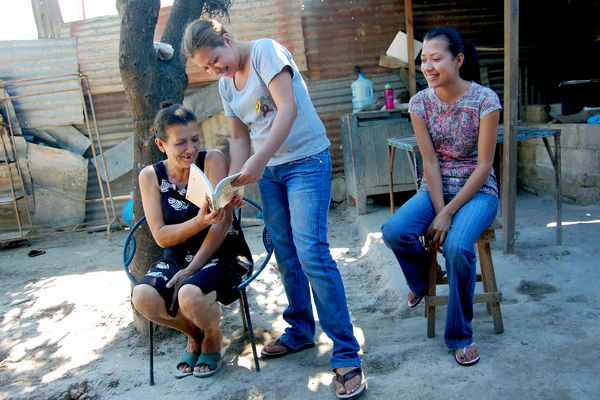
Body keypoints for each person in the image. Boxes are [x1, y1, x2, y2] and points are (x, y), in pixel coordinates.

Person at [182, 19, 366, 399]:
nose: (215, 69)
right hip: (269, 171)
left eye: (216, 59)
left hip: (305, 161)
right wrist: (231, 184)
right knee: (285, 253)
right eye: (207, 67)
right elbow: (238, 137)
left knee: (311, 251)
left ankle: (346, 353)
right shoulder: (224, 85)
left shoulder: (266, 51)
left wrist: (259, 161)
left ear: (227, 40)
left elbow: (287, 108)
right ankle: (300, 329)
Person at [381, 27, 502, 366]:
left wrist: (449, 213)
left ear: (458, 59)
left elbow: (484, 166)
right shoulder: (419, 103)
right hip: (436, 186)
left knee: (458, 246)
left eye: (437, 59)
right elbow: (430, 162)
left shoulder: (485, 100)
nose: (428, 67)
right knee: (394, 231)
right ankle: (424, 282)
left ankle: (460, 335)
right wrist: (440, 211)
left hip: (478, 190)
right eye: (424, 60)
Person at [131, 102, 253, 378]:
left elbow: (222, 226)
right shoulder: (150, 176)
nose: (191, 148)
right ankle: (194, 333)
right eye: (181, 142)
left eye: (195, 139)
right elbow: (161, 237)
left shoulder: (212, 161)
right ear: (161, 145)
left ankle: (213, 336)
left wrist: (192, 270)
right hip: (176, 257)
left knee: (189, 293)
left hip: (223, 254)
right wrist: (198, 221)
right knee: (143, 297)